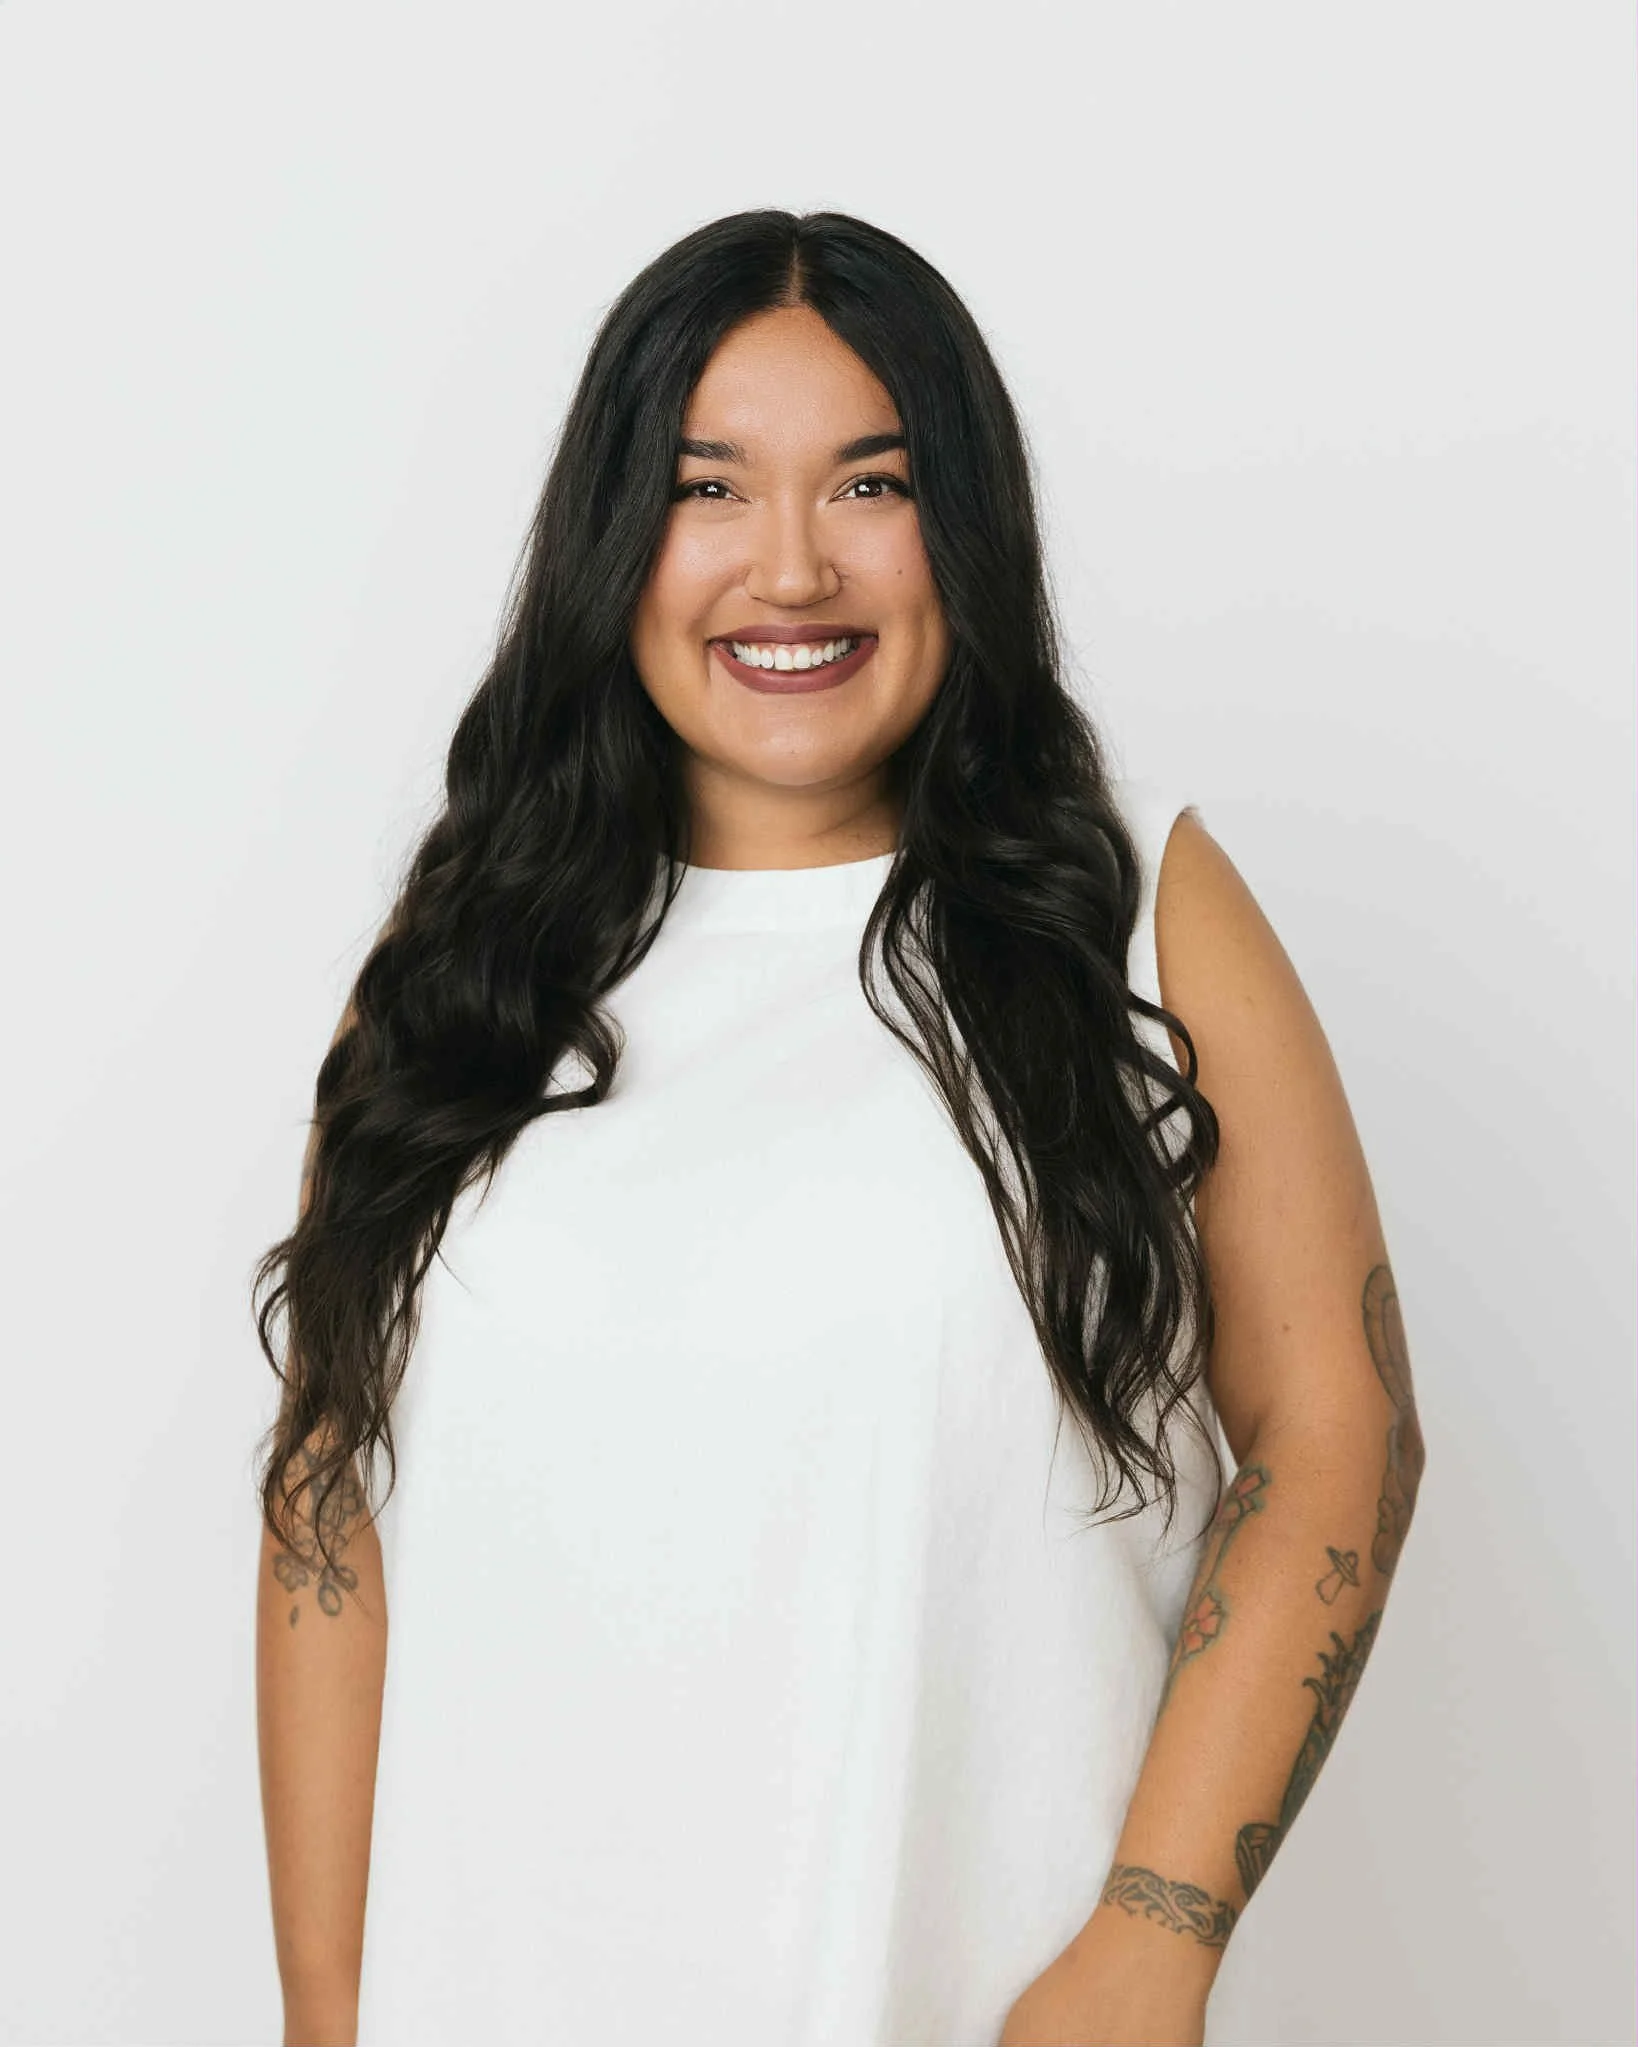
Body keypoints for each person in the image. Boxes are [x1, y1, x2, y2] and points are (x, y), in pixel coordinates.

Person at [252, 209, 1426, 2047]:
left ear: (959, 527)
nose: (787, 569)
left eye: (866, 484)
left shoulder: (1136, 924)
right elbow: (331, 1501)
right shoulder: (456, 973)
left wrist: (1153, 1933)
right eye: (708, 487)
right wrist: (328, 2009)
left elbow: (1333, 1432)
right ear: (608, 543)